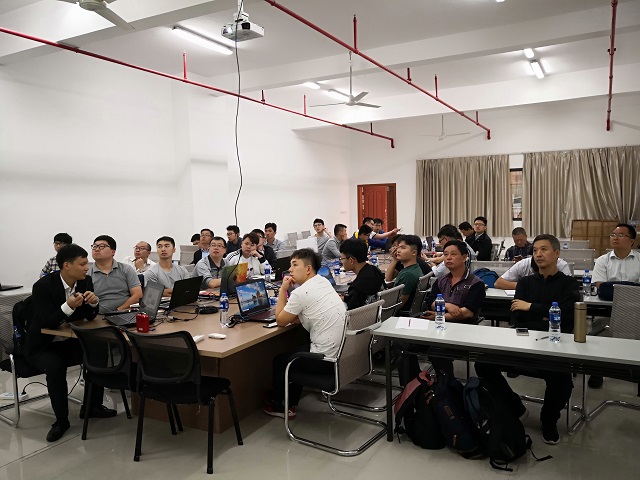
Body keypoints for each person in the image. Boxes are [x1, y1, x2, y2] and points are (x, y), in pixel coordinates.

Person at [474, 234, 580, 445]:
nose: (538, 254)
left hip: (554, 344)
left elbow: (568, 316)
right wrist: (546, 314)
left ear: (557, 253)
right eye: (535, 250)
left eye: (544, 249)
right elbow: (516, 316)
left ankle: (548, 419)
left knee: (562, 381)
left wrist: (531, 308)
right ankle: (516, 406)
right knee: (483, 363)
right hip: (524, 340)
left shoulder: (568, 284)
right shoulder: (525, 282)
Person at [25, 244, 116, 443]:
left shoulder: (85, 281)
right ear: (66, 265)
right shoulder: (43, 286)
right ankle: (61, 421)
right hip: (43, 345)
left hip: (69, 341)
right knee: (55, 366)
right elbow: (46, 322)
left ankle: (91, 406)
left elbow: (88, 316)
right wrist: (67, 306)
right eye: (82, 264)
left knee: (98, 353)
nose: (86, 268)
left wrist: (94, 303)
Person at [264, 248, 346, 419]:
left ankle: (282, 406)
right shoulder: (323, 281)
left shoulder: (301, 292)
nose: (290, 270)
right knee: (297, 348)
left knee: (281, 361)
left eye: (295, 265)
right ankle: (291, 401)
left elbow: (280, 320)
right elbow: (310, 311)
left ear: (308, 269)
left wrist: (283, 290)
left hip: (325, 360)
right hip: (342, 353)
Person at [421, 240, 486, 376]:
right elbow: (431, 301)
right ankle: (415, 384)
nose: (448, 258)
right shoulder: (441, 280)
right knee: (403, 345)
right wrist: (447, 305)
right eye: (445, 254)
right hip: (436, 327)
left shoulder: (476, 283)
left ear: (464, 257)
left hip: (462, 330)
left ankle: (447, 384)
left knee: (436, 353)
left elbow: (467, 312)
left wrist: (439, 316)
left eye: (453, 254)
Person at [588, 223, 640, 389]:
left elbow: (608, 289)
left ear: (631, 241)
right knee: (598, 328)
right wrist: (632, 288)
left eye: (620, 235)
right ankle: (597, 370)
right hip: (608, 309)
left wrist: (614, 287)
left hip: (636, 310)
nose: (615, 238)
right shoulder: (602, 260)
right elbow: (601, 289)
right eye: (613, 235)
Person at [88, 235, 142, 313]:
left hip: (125, 312)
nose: (96, 249)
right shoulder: (87, 274)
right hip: (100, 315)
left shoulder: (126, 269)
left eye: (101, 246)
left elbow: (137, 295)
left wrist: (118, 310)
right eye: (94, 246)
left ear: (113, 251)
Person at [340, 239, 385, 310]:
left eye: (342, 258)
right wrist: (346, 298)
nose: (341, 261)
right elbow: (362, 297)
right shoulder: (375, 270)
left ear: (351, 260)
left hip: (365, 315)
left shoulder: (356, 287)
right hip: (378, 311)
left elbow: (353, 311)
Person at [494, 256, 572, 290]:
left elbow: (568, 288)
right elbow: (498, 283)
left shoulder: (561, 265)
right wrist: (526, 286)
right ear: (532, 270)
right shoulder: (524, 264)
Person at [393, 235, 424, 311]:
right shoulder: (414, 268)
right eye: (398, 247)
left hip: (400, 314)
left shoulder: (408, 275)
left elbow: (398, 305)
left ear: (414, 252)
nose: (398, 250)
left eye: (403, 248)